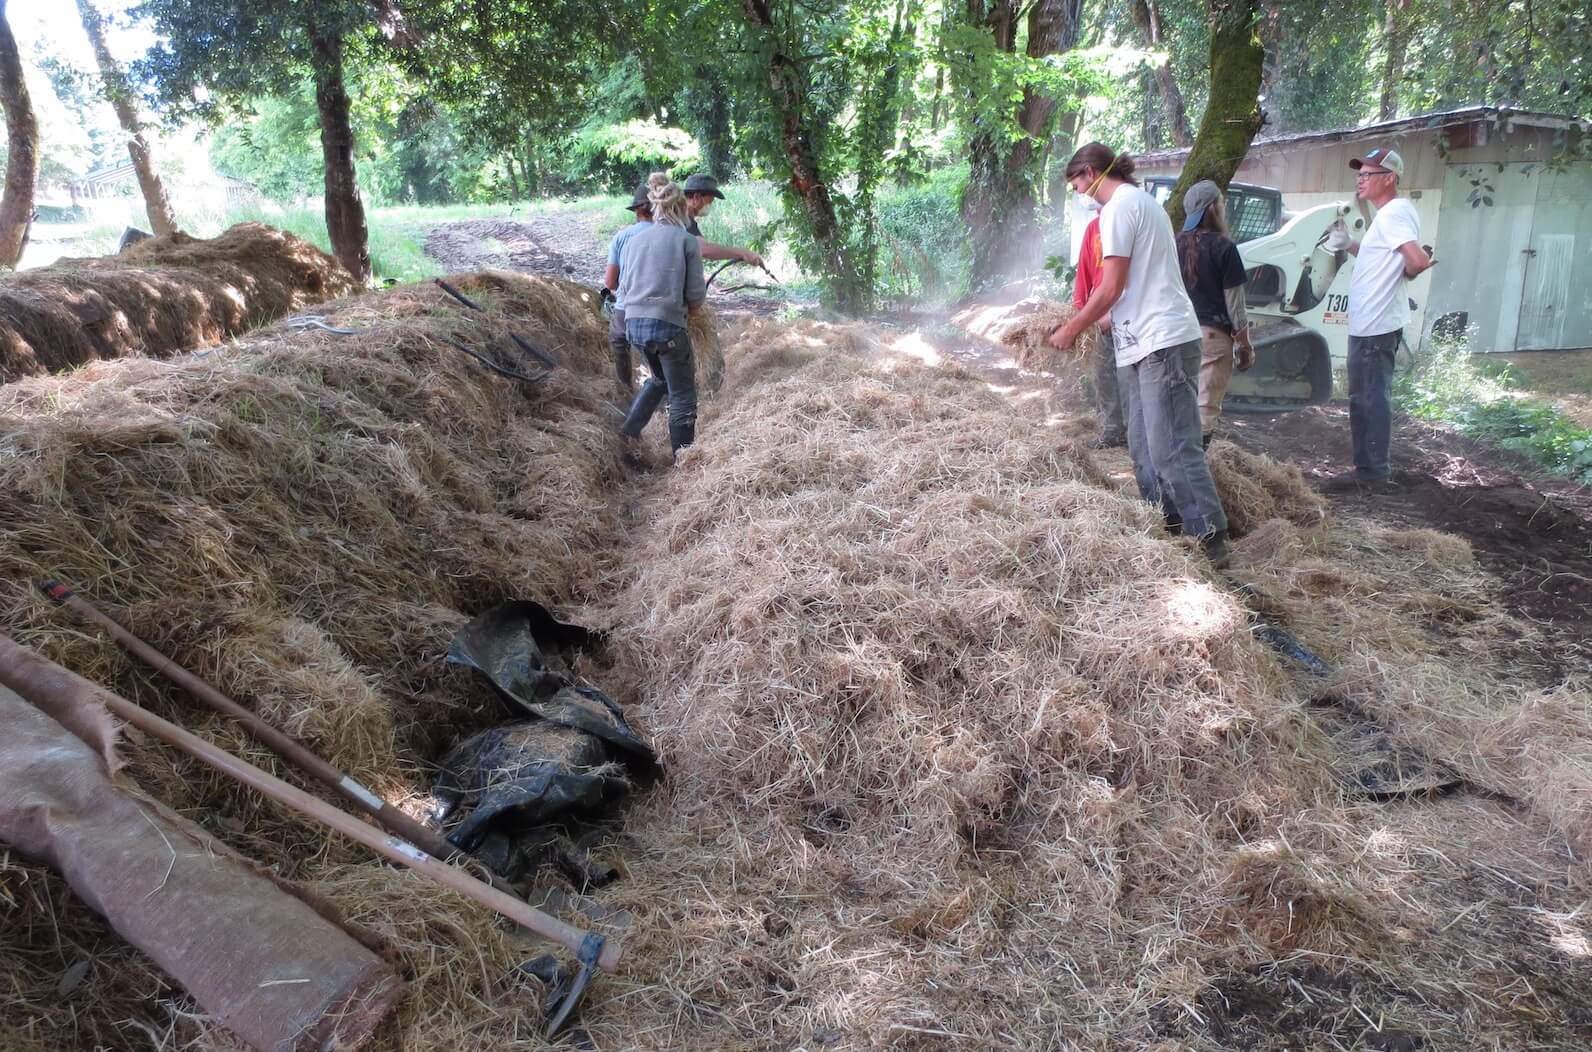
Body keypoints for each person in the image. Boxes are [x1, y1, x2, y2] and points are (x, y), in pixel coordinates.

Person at [1047, 143, 1231, 567]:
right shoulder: (1136, 205)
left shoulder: (1120, 208)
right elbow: (1126, 289)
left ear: (1090, 171)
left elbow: (1110, 287)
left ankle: (1209, 532)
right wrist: (1104, 319)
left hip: (1162, 338)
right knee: (1143, 445)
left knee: (1170, 444)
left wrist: (1071, 329)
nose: (1077, 189)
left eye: (1075, 181)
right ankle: (1160, 524)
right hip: (1140, 339)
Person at [1322, 147, 1433, 489]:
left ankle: (1372, 475)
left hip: (1376, 326)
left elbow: (1415, 261)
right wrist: (1351, 244)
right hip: (1372, 324)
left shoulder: (1394, 214)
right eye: (1359, 174)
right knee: (1366, 396)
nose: (1361, 180)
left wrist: (1409, 272)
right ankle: (1370, 470)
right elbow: (1385, 256)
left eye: (1368, 174)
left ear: (1390, 178)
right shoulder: (1388, 216)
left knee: (1369, 398)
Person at [617, 172, 707, 457]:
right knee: (682, 394)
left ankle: (627, 435)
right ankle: (684, 460)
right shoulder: (685, 240)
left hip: (634, 327)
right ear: (680, 208)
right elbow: (695, 296)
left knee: (659, 380)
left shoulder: (634, 241)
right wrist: (690, 313)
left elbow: (624, 286)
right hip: (666, 327)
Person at [1175, 180, 1255, 448]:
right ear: (1212, 208)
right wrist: (1245, 347)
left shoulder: (1173, 244)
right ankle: (1195, 474)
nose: (1224, 206)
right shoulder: (1225, 248)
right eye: (1221, 202)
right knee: (1204, 411)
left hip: (1176, 334)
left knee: (1177, 403)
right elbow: (1235, 305)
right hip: (1211, 337)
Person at [1074, 196, 1126, 448]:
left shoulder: (1128, 226)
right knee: (1103, 373)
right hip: (1099, 312)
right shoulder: (1093, 229)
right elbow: (1084, 270)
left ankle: (1135, 431)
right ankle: (1113, 430)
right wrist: (1080, 308)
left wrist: (1112, 313)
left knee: (1131, 376)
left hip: (1130, 314)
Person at [604, 184, 652, 393]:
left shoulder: (621, 238)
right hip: (659, 307)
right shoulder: (674, 234)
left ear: (637, 210)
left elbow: (610, 283)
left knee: (618, 340)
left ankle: (625, 388)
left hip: (627, 308)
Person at [681, 174, 765, 269]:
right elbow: (703, 249)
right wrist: (743, 253)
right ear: (696, 197)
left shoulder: (683, 218)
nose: (709, 206)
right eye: (710, 201)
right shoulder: (683, 219)